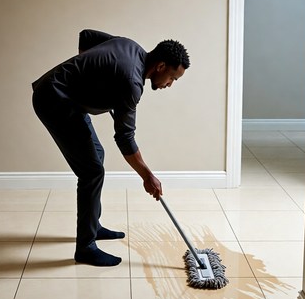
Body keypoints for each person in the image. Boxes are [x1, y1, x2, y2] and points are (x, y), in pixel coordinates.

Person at [32, 29, 190, 267]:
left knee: (98, 156)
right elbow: (125, 138)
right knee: (91, 171)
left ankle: (92, 226)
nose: (170, 84)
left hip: (68, 99)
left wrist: (93, 81)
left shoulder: (131, 46)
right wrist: (147, 176)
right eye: (172, 78)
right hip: (54, 100)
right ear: (160, 66)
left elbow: (87, 36)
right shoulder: (132, 83)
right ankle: (85, 248)